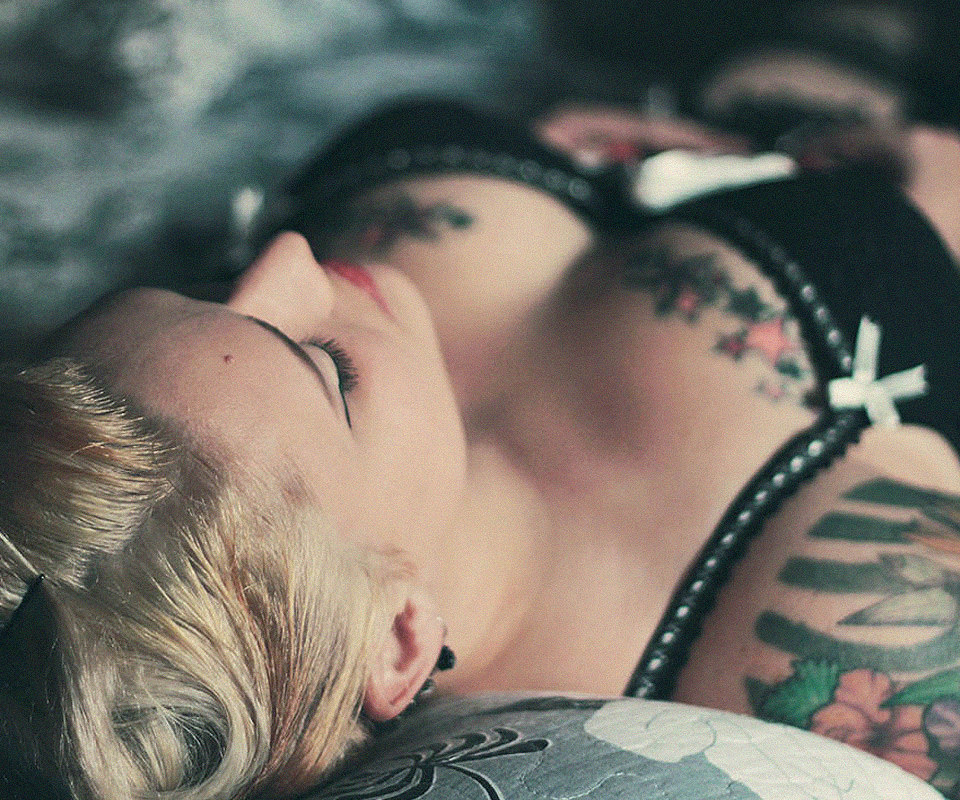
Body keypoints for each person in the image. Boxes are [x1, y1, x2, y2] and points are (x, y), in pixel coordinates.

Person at [2, 87, 960, 798]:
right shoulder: (849, 635)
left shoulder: (209, 457)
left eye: (206, 293)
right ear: (400, 642)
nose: (286, 261)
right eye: (330, 369)